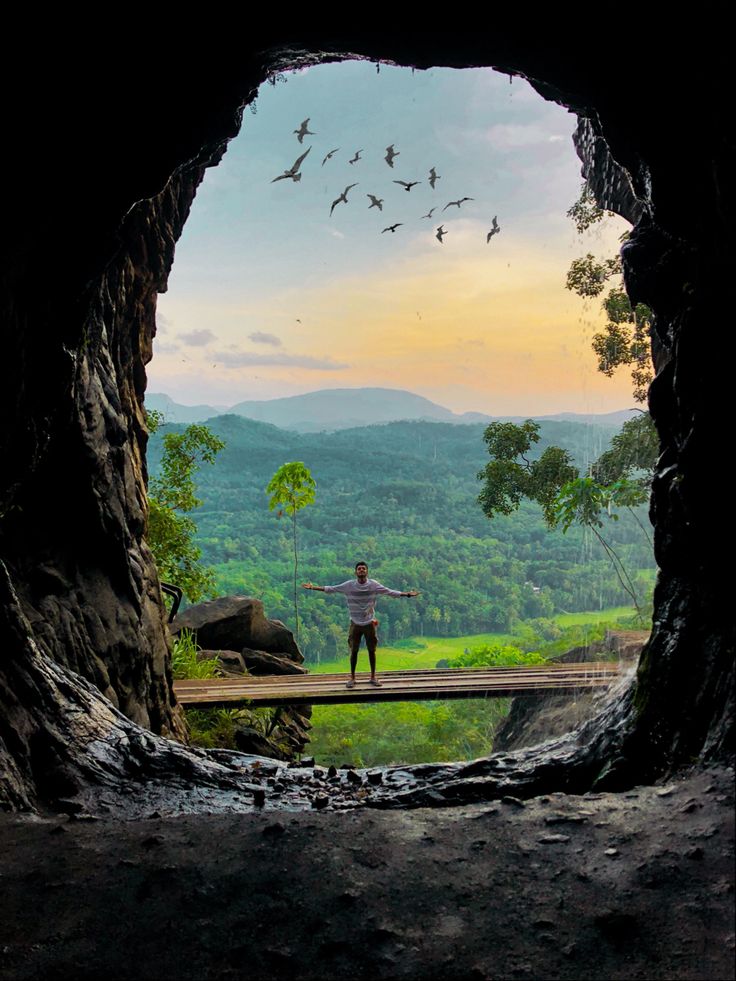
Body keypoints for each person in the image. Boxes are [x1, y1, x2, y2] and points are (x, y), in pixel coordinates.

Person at [302, 562, 419, 688]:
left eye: (363, 568)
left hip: (369, 623)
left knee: (371, 651)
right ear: (356, 572)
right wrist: (312, 587)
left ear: (367, 572)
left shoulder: (373, 585)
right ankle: (352, 678)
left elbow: (389, 592)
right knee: (354, 651)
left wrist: (407, 594)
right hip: (355, 623)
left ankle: (373, 677)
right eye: (359, 569)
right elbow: (331, 589)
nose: (361, 570)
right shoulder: (349, 585)